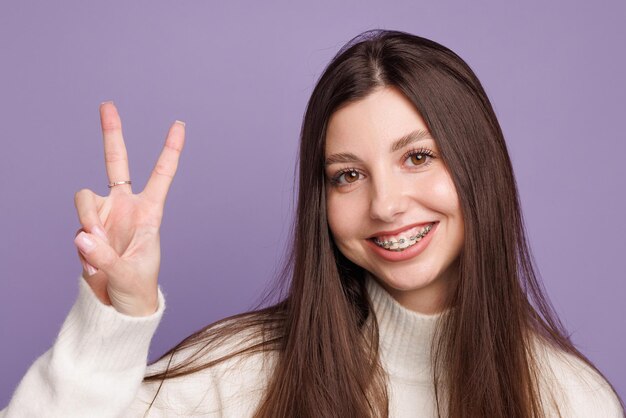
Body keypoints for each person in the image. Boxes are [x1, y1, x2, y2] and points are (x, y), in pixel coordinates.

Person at [1, 29, 624, 418]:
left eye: (417, 157)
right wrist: (118, 315)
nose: (385, 205)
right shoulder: (244, 373)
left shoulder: (572, 401)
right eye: (347, 175)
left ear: (478, 166)